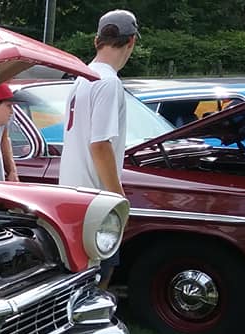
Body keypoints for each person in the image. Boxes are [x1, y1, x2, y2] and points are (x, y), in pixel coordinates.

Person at [58, 9, 139, 289]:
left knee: (76, 279)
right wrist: (120, 200)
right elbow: (100, 145)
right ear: (132, 42)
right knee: (98, 282)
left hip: (70, 195)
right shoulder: (108, 82)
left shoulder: (82, 79)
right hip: (96, 201)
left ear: (97, 41)